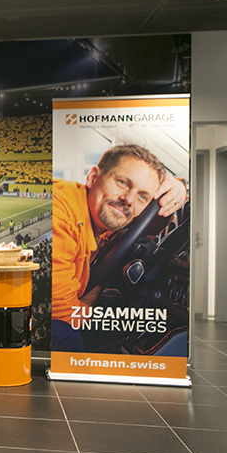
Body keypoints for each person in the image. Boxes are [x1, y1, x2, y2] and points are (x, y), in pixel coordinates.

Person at [51, 144, 186, 351]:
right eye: (122, 183)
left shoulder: (102, 219)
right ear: (92, 177)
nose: (128, 200)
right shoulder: (60, 216)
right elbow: (64, 316)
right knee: (66, 336)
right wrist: (98, 287)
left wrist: (178, 185)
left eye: (142, 196)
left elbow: (146, 229)